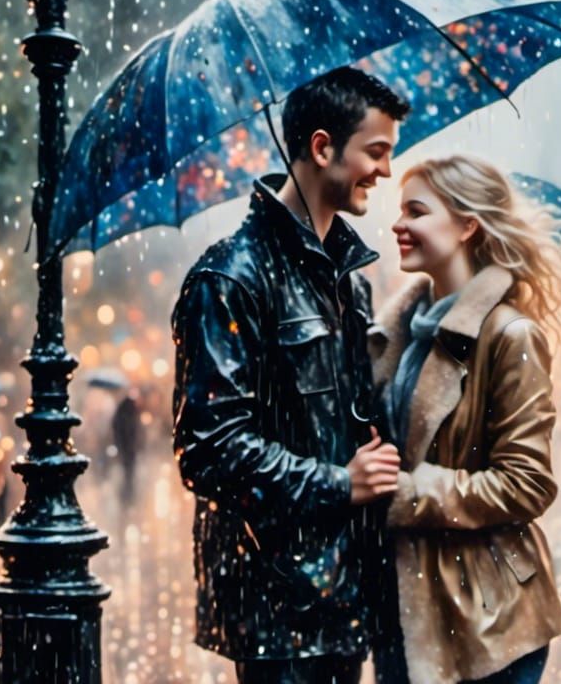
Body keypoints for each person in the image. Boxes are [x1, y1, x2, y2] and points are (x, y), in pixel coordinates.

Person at [172, 66, 410, 683]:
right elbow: (209, 450)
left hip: (346, 599)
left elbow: (349, 424)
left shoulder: (350, 283)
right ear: (323, 148)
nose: (385, 171)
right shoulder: (229, 278)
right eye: (376, 152)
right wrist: (339, 483)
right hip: (276, 611)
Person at [370, 156, 561, 684]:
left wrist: (409, 494)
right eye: (400, 211)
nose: (398, 225)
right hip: (402, 607)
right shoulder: (398, 337)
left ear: (466, 226)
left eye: (416, 212)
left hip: (488, 619)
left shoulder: (510, 336)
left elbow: (527, 483)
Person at [111, 389, 142, 498]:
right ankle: (127, 494)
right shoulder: (128, 413)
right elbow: (129, 431)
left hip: (126, 447)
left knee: (127, 472)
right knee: (128, 472)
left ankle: (127, 493)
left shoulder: (123, 411)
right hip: (127, 447)